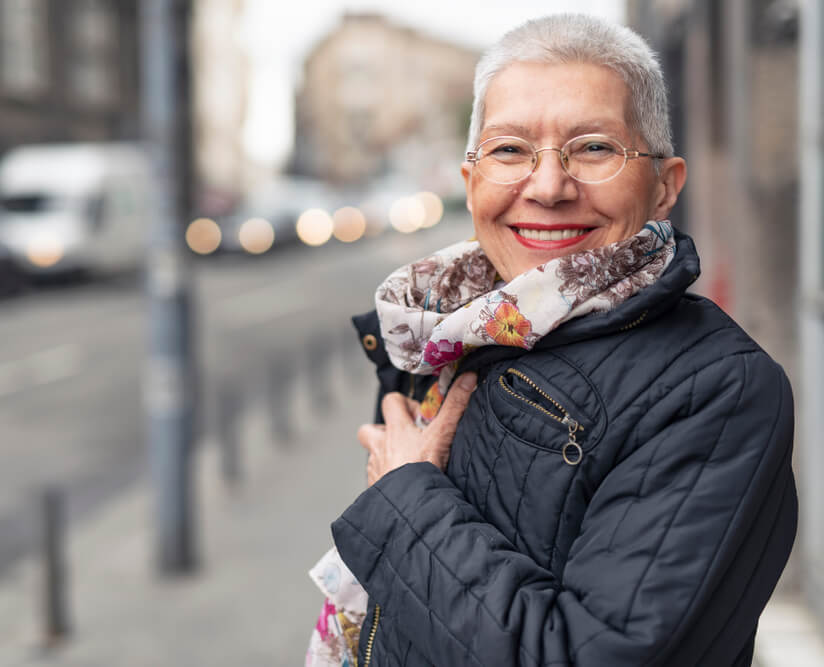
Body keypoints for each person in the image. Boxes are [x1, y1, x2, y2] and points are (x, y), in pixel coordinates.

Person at [326, 13, 797, 667]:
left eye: (595, 147)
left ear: (666, 185)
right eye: (511, 150)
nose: (547, 187)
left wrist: (405, 496)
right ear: (471, 182)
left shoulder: (718, 388)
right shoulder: (440, 331)